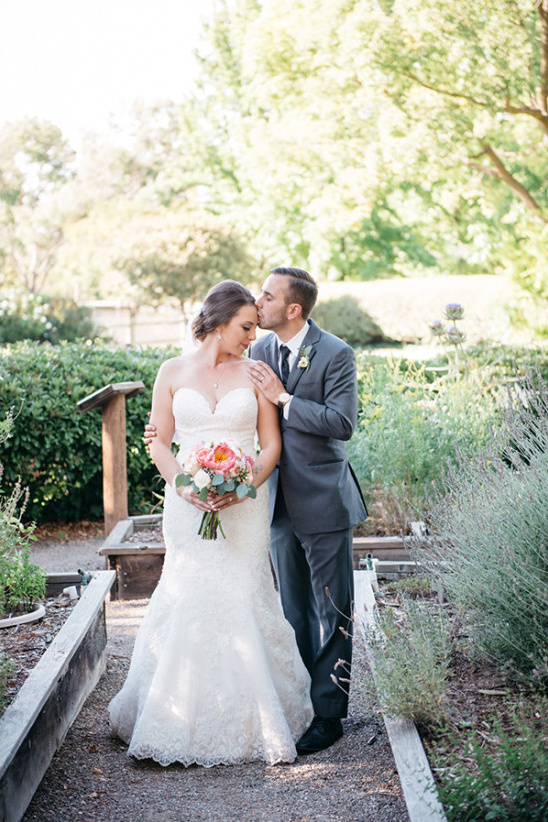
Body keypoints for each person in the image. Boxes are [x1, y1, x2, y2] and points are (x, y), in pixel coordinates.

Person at [110, 280, 313, 767]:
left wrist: (240, 487)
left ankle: (256, 718)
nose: (253, 335)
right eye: (245, 327)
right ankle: (174, 715)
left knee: (244, 593)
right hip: (186, 504)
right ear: (218, 322)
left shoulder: (257, 372)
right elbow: (160, 441)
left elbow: (270, 447)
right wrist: (186, 486)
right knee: (189, 594)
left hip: (245, 505)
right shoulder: (172, 371)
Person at [245, 266, 367, 755]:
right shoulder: (258, 350)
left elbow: (342, 423)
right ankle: (298, 705)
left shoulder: (336, 353)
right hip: (275, 505)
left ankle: (329, 716)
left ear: (293, 309)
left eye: (268, 296)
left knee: (333, 611)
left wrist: (284, 398)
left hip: (324, 501)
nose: (258, 301)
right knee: (291, 609)